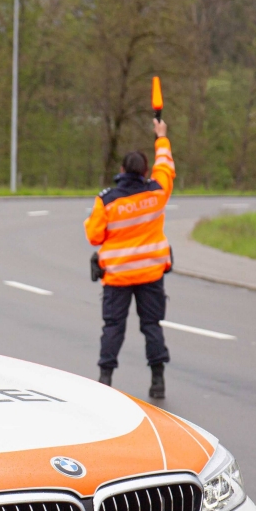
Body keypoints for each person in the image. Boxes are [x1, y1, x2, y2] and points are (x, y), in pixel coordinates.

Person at [85, 118, 175, 398]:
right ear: (145, 171)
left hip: (118, 277)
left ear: (122, 171)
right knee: (151, 326)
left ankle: (105, 377)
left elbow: (94, 236)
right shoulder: (157, 193)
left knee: (113, 327)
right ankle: (157, 380)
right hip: (150, 275)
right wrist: (161, 136)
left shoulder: (107, 200)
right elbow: (166, 166)